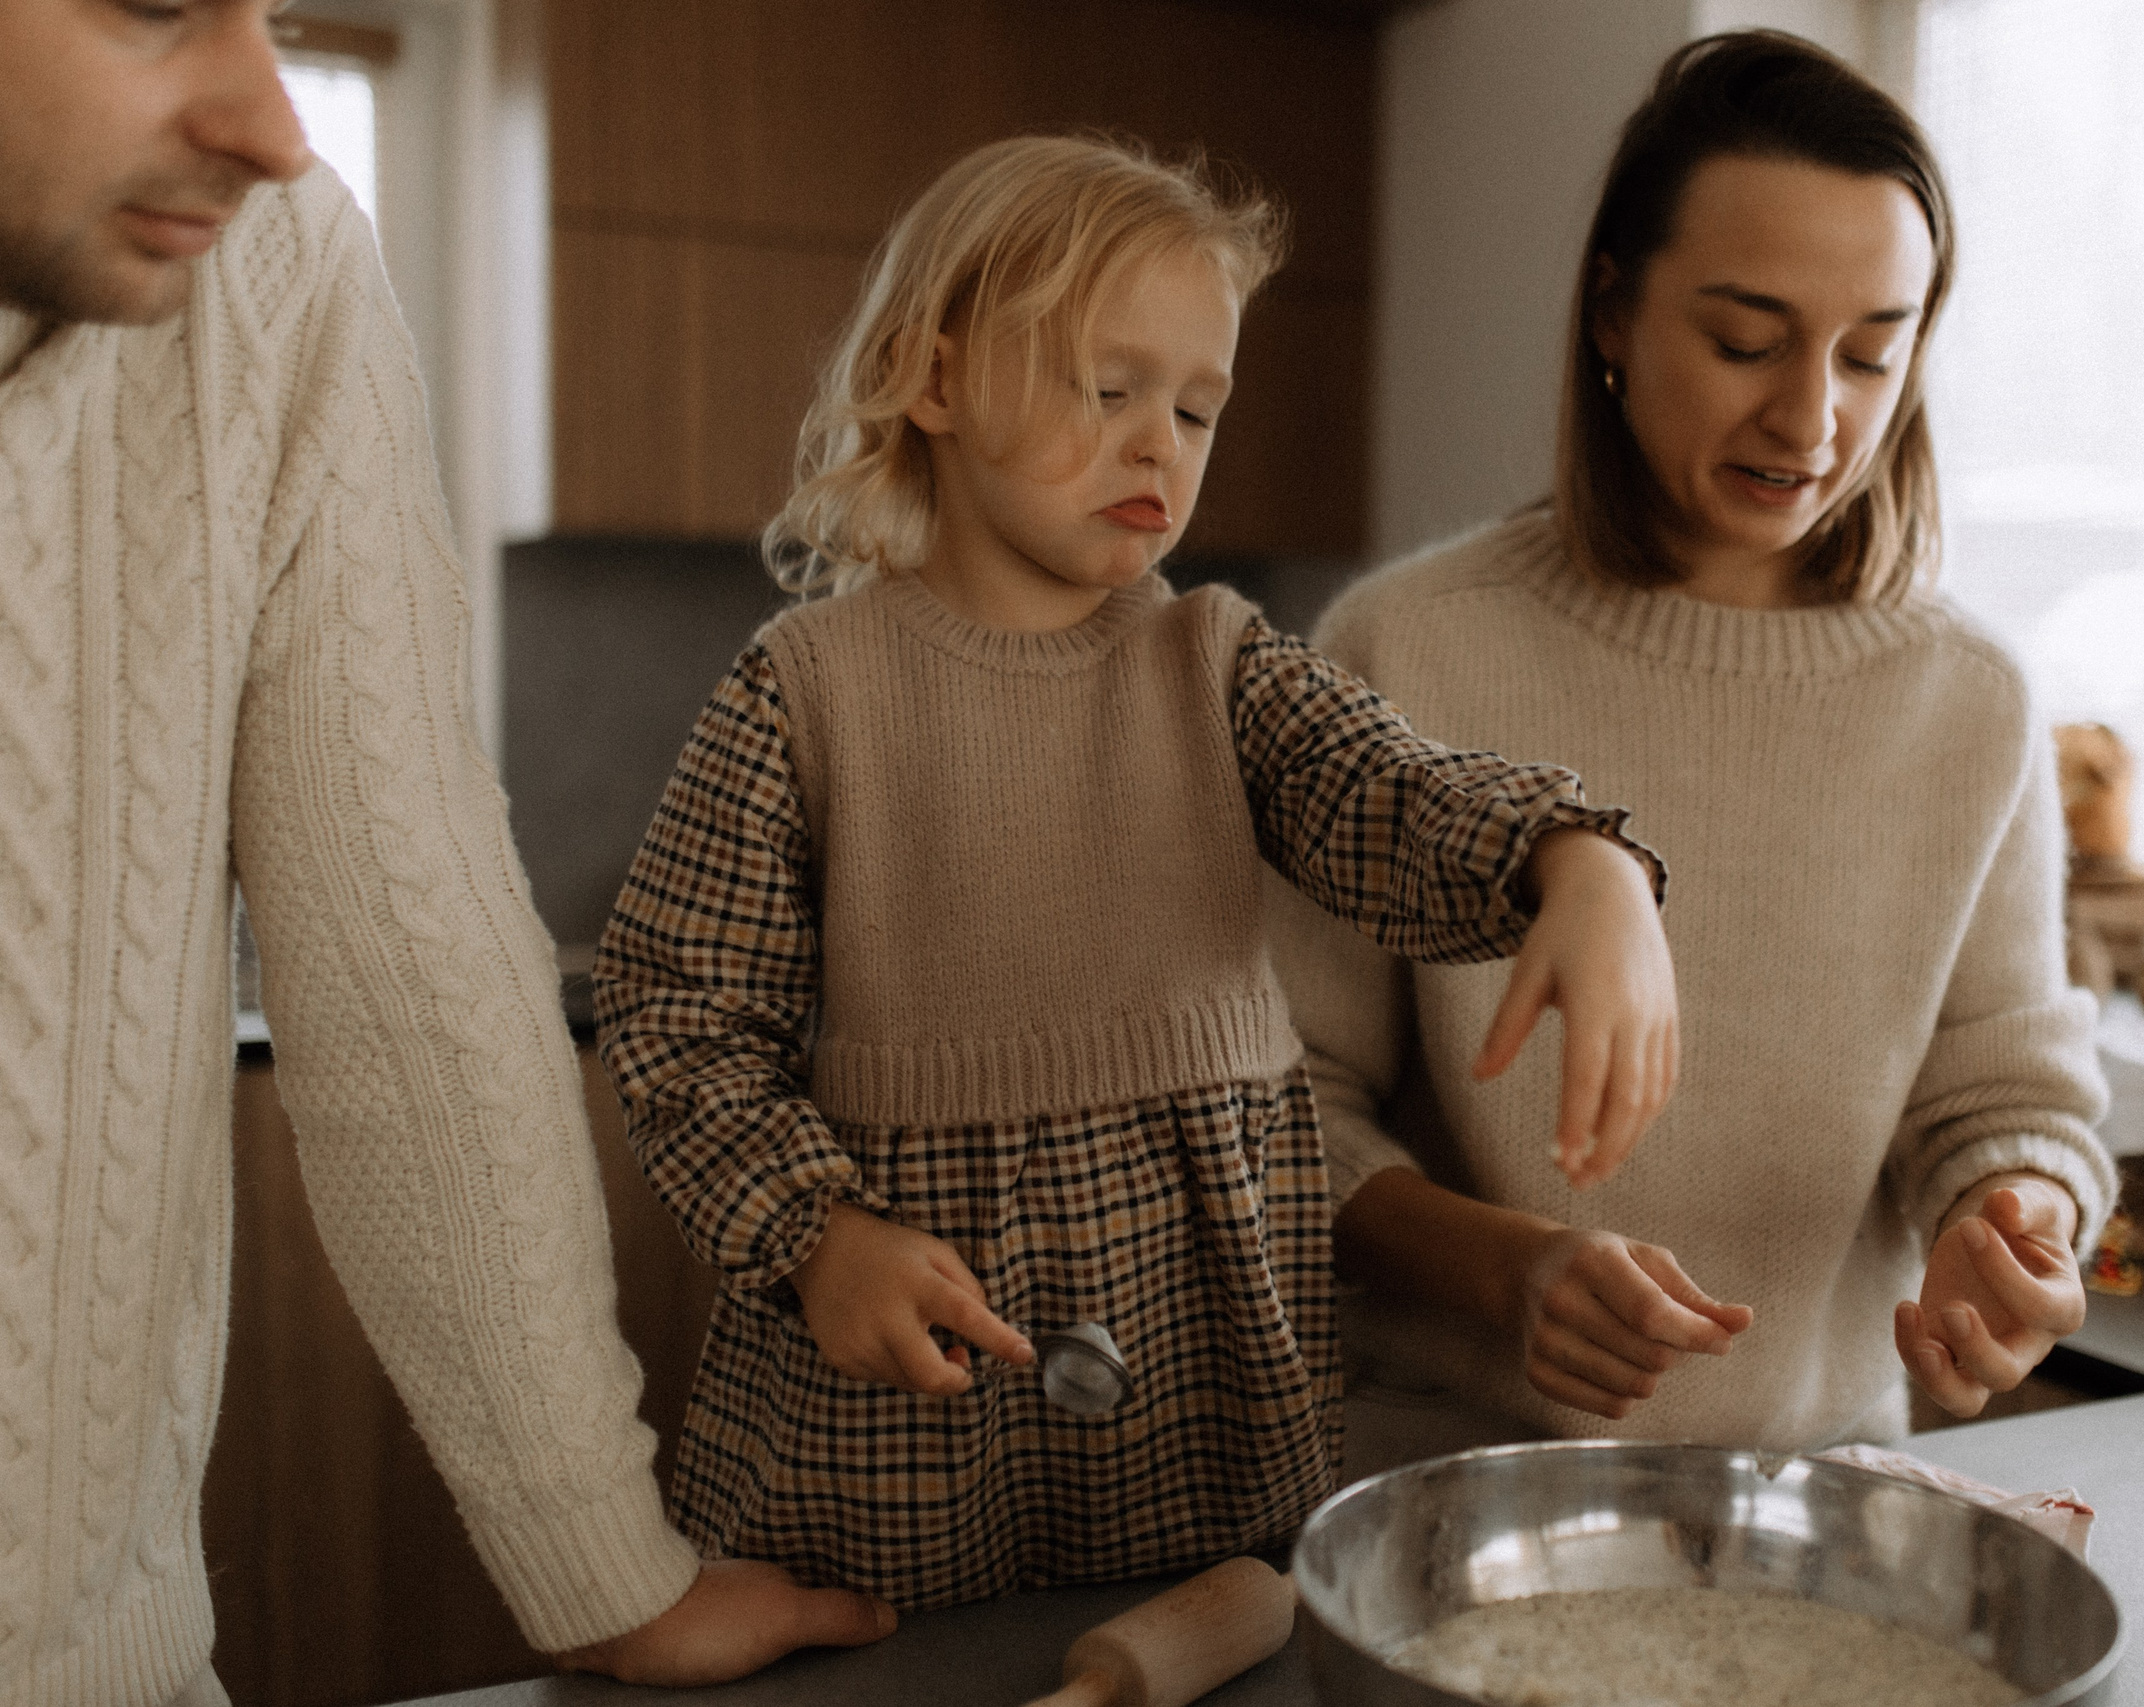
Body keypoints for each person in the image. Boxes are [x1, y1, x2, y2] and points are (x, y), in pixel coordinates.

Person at [591, 133, 1679, 1611]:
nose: (1161, 441)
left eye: (1197, 405)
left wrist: (1580, 861)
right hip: (904, 1422)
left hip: (1202, 1397)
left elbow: (1394, 796)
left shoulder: (1217, 664)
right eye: (1110, 390)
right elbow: (672, 1013)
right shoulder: (805, 691)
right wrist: (818, 1236)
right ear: (936, 377)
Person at [0, 1, 886, 1696]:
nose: (273, 119)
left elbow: (412, 976)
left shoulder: (275, 278)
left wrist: (603, 1562)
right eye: (154, 5)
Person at [1267, 30, 2116, 1475]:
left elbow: (2006, 1098)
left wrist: (2018, 1217)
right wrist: (1497, 1267)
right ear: (1611, 309)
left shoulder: (1969, 703)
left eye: (1872, 351)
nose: (1811, 418)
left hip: (1816, 1492)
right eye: (1745, 339)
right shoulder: (1404, 651)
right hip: (1435, 1479)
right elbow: (1273, 1111)